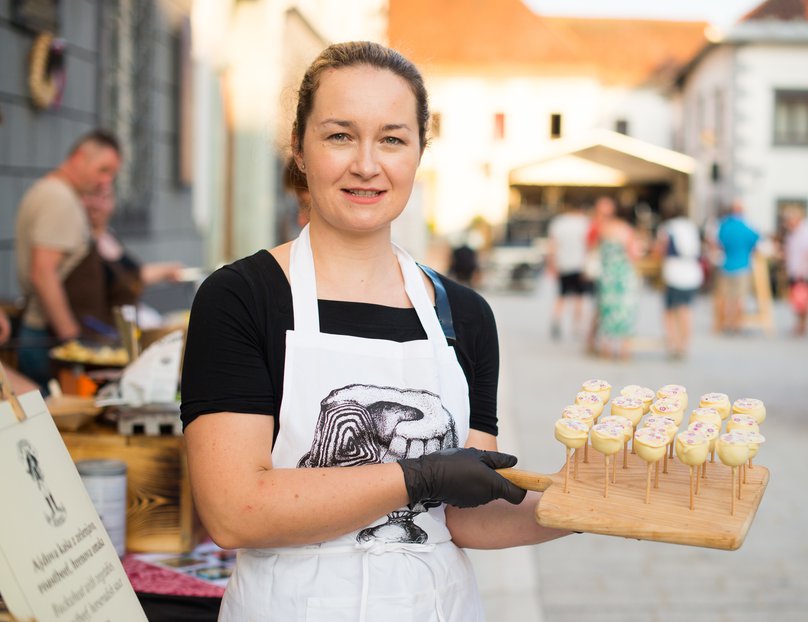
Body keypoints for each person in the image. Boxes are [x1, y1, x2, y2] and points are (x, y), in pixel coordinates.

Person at [180, 42, 566, 620]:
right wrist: (416, 476)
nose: (367, 164)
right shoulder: (241, 298)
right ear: (300, 150)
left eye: (392, 138)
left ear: (418, 152)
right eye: (340, 135)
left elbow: (465, 516)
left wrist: (594, 504)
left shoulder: (464, 315)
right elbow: (235, 510)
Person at [14, 129, 122, 386]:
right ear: (79, 157)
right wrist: (73, 343)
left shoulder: (57, 193)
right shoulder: (58, 198)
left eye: (112, 175)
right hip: (47, 338)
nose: (106, 181)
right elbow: (43, 273)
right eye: (102, 169)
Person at [83, 185, 185, 312]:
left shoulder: (109, 236)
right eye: (92, 196)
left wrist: (168, 270)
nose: (97, 204)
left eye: (104, 198)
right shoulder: (82, 241)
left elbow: (134, 272)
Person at [593, 196, 640, 359]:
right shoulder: (626, 229)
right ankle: (624, 350)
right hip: (623, 275)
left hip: (607, 276)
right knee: (625, 310)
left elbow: (594, 248)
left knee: (607, 311)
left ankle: (605, 349)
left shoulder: (603, 228)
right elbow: (633, 254)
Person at [654, 204, 703, 359]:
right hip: (692, 273)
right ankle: (684, 345)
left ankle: (674, 344)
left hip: (675, 273)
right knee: (686, 310)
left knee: (670, 311)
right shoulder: (691, 227)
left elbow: (660, 249)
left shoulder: (668, 228)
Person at [546, 201, 592, 340]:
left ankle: (556, 319)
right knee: (579, 297)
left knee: (561, 296)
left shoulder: (558, 223)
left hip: (563, 264)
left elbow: (553, 245)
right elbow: (589, 245)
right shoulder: (585, 223)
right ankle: (576, 326)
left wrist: (552, 263)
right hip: (580, 265)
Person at [716, 200, 760, 333]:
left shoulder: (724, 225)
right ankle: (737, 324)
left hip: (726, 265)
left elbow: (719, 242)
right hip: (742, 265)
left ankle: (727, 323)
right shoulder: (746, 226)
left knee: (727, 298)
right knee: (740, 298)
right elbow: (756, 241)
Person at [782, 205, 808, 336]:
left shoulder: (806, 233)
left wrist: (803, 269)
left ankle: (804, 324)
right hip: (794, 270)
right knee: (797, 299)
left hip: (803, 272)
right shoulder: (792, 234)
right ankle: (799, 323)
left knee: (804, 299)